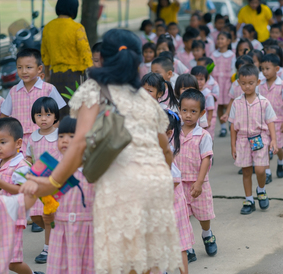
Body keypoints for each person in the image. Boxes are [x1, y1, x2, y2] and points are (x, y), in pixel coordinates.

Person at [19, 29, 183, 273]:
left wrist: (52, 182)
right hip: (156, 185)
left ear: (102, 58)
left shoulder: (94, 91)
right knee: (146, 262)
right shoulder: (143, 98)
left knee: (121, 262)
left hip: (122, 187)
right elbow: (165, 150)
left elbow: (80, 143)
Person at [0, 118, 41, 274]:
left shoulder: (21, 166)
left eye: (2, 142)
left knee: (13, 262)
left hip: (12, 219)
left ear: (18, 143)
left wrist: (1, 183)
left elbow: (23, 192)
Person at [46, 116, 95, 274]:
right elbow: (49, 201)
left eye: (72, 136)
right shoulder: (52, 168)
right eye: (61, 136)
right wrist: (48, 215)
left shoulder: (93, 170)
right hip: (62, 230)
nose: (65, 141)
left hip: (89, 230)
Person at [229, 64, 278, 214]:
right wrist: (233, 145)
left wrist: (274, 140)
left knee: (260, 169)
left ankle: (261, 190)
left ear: (258, 82)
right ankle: (249, 199)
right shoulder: (236, 103)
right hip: (242, 140)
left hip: (260, 138)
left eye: (251, 83)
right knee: (246, 171)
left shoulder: (264, 102)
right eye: (243, 83)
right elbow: (232, 126)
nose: (247, 87)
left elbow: (270, 122)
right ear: (239, 83)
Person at [174, 89, 217, 262]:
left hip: (199, 183)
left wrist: (199, 183)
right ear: (179, 109)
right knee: (184, 216)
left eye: (193, 111)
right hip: (179, 183)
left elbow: (206, 159)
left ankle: (207, 234)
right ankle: (188, 246)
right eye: (184, 110)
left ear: (202, 113)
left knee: (203, 215)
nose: (188, 115)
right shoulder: (174, 133)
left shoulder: (203, 135)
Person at [0, 49, 66, 154]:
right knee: (22, 168)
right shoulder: (13, 91)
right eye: (19, 67)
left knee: (42, 167)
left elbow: (57, 116)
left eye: (29, 67)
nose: (24, 71)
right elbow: (4, 116)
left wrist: (52, 136)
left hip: (43, 139)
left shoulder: (48, 89)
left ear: (39, 69)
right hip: (19, 141)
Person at [41, 0, 93, 118]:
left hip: (55, 76)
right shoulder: (77, 28)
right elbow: (85, 52)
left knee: (58, 110)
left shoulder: (48, 27)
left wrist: (47, 75)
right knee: (74, 110)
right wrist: (92, 73)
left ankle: (60, 135)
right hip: (74, 76)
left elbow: (45, 54)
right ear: (74, 8)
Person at [24, 97, 62, 263]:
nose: (44, 118)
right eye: (39, 115)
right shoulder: (32, 137)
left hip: (55, 183)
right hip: (37, 184)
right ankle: (55, 242)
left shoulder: (60, 135)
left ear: (55, 116)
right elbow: (28, 157)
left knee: (48, 216)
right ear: (34, 117)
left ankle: (48, 248)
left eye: (48, 114)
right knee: (35, 216)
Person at [165, 110, 193, 273]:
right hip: (170, 204)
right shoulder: (166, 147)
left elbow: (174, 180)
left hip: (172, 204)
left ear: (168, 132)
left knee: (179, 245)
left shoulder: (166, 152)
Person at [258, 54, 283, 183]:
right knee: (265, 146)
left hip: (278, 121)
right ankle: (267, 172)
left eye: (267, 68)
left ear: (277, 69)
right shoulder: (260, 85)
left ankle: (281, 160)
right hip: (264, 122)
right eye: (262, 69)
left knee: (278, 147)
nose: (264, 71)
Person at [210, 32, 236, 137]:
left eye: (222, 38)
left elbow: (233, 69)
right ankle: (223, 127)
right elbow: (211, 69)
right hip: (217, 82)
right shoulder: (213, 55)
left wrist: (232, 82)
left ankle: (230, 120)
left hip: (227, 82)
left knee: (227, 103)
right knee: (219, 105)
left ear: (228, 41)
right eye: (219, 39)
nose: (220, 41)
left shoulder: (231, 55)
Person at [191, 66, 216, 139]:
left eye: (201, 79)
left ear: (206, 80)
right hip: (196, 120)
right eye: (196, 79)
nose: (198, 82)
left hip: (206, 120)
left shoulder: (208, 94)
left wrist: (208, 121)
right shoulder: (192, 92)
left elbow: (210, 109)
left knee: (207, 137)